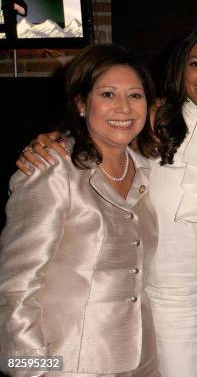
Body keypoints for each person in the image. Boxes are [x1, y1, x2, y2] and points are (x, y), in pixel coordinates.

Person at [14, 24, 197, 377]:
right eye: (196, 63)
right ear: (179, 69)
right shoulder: (154, 118)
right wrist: (49, 143)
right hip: (168, 294)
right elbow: (103, 135)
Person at [0, 44, 160, 376]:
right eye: (107, 94)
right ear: (81, 103)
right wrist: (32, 369)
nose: (123, 107)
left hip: (139, 359)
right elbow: (16, 287)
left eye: (135, 95)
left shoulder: (144, 168)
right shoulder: (52, 168)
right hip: (68, 362)